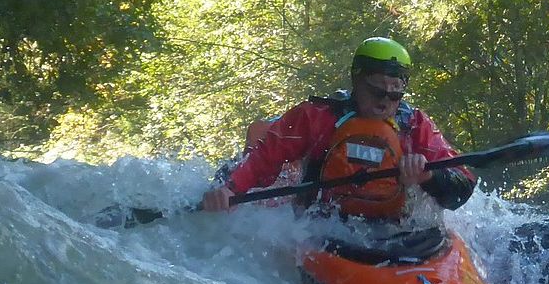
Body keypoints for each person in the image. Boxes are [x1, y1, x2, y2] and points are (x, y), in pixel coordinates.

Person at [201, 37, 475, 220]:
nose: (384, 102)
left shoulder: (415, 124)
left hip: (393, 233)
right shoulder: (318, 117)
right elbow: (263, 158)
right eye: (376, 90)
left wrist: (428, 177)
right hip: (321, 226)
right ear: (357, 80)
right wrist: (228, 189)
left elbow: (461, 186)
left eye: (394, 94)